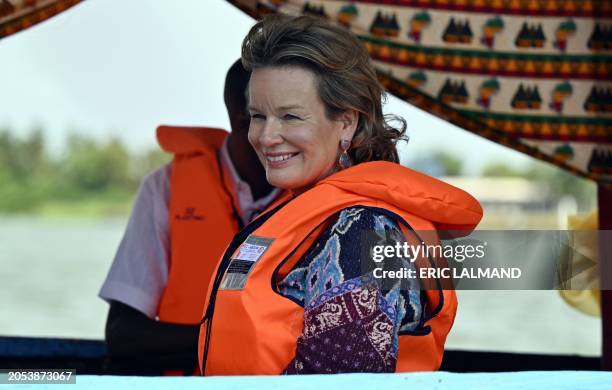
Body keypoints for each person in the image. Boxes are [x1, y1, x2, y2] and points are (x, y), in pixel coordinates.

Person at [197, 14, 483, 376]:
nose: (266, 136)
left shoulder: (363, 233)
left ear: (347, 122)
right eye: (257, 115)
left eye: (290, 117)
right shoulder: (308, 213)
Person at [99, 60, 280, 374]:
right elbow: (123, 338)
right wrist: (237, 343)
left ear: (347, 124)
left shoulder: (327, 196)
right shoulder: (166, 188)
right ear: (245, 115)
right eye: (290, 114)